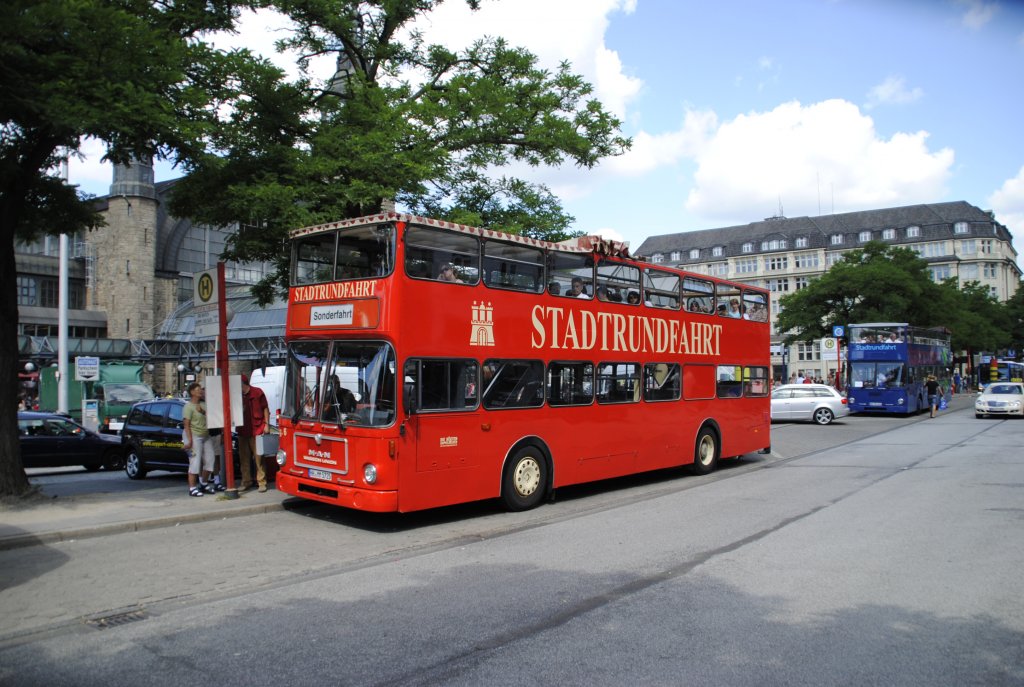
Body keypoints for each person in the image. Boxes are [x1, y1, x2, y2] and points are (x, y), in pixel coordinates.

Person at [238, 373, 271, 492]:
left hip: (257, 429)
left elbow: (265, 408)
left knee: (259, 458)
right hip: (242, 430)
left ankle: (261, 482)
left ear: (243, 384)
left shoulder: (257, 392)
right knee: (244, 458)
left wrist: (266, 424)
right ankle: (246, 481)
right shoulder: (237, 396)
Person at [182, 382, 216, 497]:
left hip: (205, 435)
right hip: (194, 435)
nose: (200, 391)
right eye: (197, 390)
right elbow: (186, 425)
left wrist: (203, 411)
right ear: (192, 392)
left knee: (210, 459)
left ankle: (204, 483)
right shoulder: (188, 407)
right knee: (195, 461)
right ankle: (192, 488)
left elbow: (212, 416)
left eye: (200, 389)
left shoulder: (203, 404)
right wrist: (189, 441)